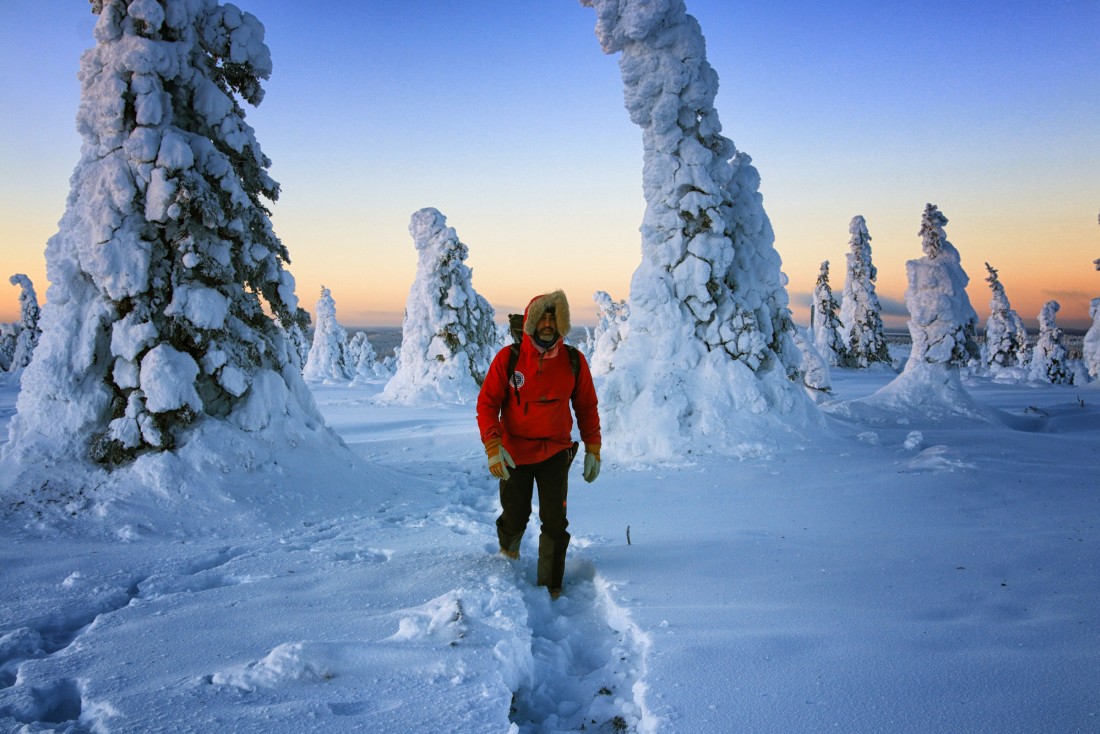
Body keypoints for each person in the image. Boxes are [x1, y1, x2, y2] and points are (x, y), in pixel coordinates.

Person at [476, 290, 601, 600]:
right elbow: (488, 404)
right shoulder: (510, 359)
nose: (548, 323)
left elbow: (586, 406)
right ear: (530, 323)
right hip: (514, 451)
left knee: (555, 520)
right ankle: (509, 554)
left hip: (556, 452)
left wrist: (593, 448)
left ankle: (551, 585)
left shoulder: (573, 360)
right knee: (515, 514)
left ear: (562, 323)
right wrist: (493, 445)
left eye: (553, 317)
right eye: (542, 318)